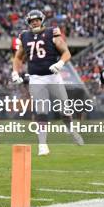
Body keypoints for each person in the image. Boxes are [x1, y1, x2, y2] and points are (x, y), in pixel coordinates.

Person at [12, 9, 84, 156]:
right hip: (36, 78)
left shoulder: (52, 32)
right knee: (41, 112)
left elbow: (66, 52)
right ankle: (42, 144)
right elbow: (18, 57)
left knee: (65, 110)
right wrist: (15, 71)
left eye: (37, 20)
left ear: (42, 20)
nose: (34, 23)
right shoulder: (24, 36)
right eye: (32, 21)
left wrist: (60, 63)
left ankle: (72, 131)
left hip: (53, 77)